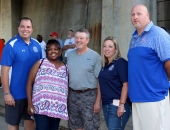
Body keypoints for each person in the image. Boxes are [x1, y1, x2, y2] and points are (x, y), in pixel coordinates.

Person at [128, 4, 170, 130]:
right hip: (136, 97)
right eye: (133, 14)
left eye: (139, 14)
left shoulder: (158, 34)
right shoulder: (134, 38)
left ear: (147, 15)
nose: (135, 17)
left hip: (153, 98)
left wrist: (162, 82)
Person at [1, 17, 42, 130]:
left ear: (32, 29)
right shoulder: (11, 45)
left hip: (32, 94)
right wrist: (6, 93)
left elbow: (40, 68)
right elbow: (4, 71)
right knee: (13, 124)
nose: (25, 29)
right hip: (15, 95)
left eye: (28, 27)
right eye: (22, 26)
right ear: (18, 28)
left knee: (30, 123)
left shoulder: (37, 45)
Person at [26, 39, 68, 130]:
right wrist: (30, 103)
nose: (53, 51)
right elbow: (29, 83)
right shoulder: (40, 63)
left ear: (60, 51)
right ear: (46, 51)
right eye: (49, 49)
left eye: (56, 49)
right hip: (41, 108)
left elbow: (66, 87)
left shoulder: (65, 67)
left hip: (58, 108)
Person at [67, 29, 102, 130]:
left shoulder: (95, 57)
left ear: (87, 40)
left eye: (81, 38)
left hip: (89, 97)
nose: (78, 40)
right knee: (75, 126)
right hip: (72, 96)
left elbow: (100, 81)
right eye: (76, 38)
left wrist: (97, 102)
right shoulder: (70, 55)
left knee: (91, 127)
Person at [98, 36, 131, 130]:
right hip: (106, 105)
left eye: (110, 46)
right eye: (104, 46)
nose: (106, 49)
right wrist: (98, 102)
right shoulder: (105, 66)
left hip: (117, 106)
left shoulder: (120, 63)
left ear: (115, 49)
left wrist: (121, 105)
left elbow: (126, 84)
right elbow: (101, 84)